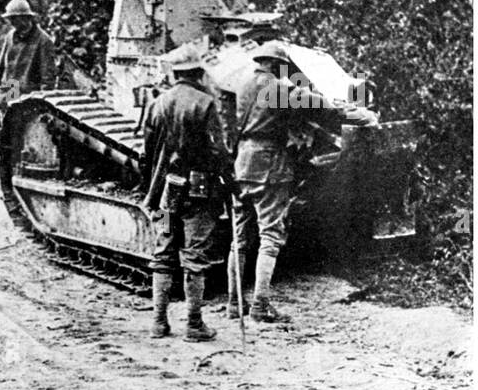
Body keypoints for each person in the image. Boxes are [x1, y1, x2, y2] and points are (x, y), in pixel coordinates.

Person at [229, 41, 378, 322]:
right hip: (269, 166)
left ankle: (232, 304)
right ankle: (260, 306)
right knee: (270, 235)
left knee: (239, 238)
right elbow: (325, 109)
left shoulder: (244, 85)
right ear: (277, 65)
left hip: (242, 164)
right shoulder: (279, 89)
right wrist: (363, 116)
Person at [142, 52, 236, 342]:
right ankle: (194, 325)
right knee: (195, 256)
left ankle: (158, 323)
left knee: (164, 251)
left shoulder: (157, 102)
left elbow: (147, 150)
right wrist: (229, 181)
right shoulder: (205, 103)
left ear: (175, 74)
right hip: (199, 195)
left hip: (166, 197)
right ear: (197, 74)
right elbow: (218, 151)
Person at [0, 0, 57, 104]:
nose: (11, 22)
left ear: (25, 18)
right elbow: (0, 68)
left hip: (30, 99)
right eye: (10, 18)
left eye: (14, 18)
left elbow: (47, 78)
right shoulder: (10, 37)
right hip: (9, 94)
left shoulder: (43, 40)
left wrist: (44, 105)